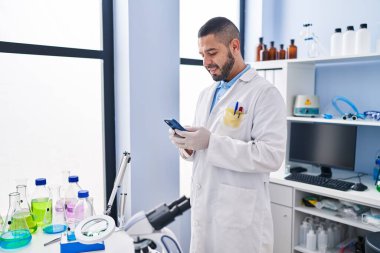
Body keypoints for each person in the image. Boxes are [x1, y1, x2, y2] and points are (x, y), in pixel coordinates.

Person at [169, 17, 286, 253]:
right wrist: (188, 146)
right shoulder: (206, 94)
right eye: (202, 54)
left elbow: (271, 156)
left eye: (212, 52)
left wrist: (211, 142)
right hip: (206, 208)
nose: (206, 62)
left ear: (235, 46)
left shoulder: (264, 93)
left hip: (240, 222)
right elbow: (203, 146)